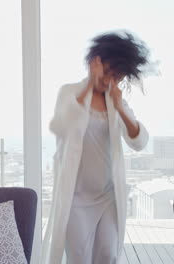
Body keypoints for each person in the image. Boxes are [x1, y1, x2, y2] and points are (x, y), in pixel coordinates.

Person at [41, 31, 151, 264]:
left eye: (117, 77)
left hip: (108, 196)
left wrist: (121, 107)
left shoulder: (115, 101)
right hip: (75, 198)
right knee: (79, 258)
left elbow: (139, 141)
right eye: (108, 72)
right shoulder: (70, 93)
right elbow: (61, 125)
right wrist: (89, 87)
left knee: (108, 255)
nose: (109, 81)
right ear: (95, 63)